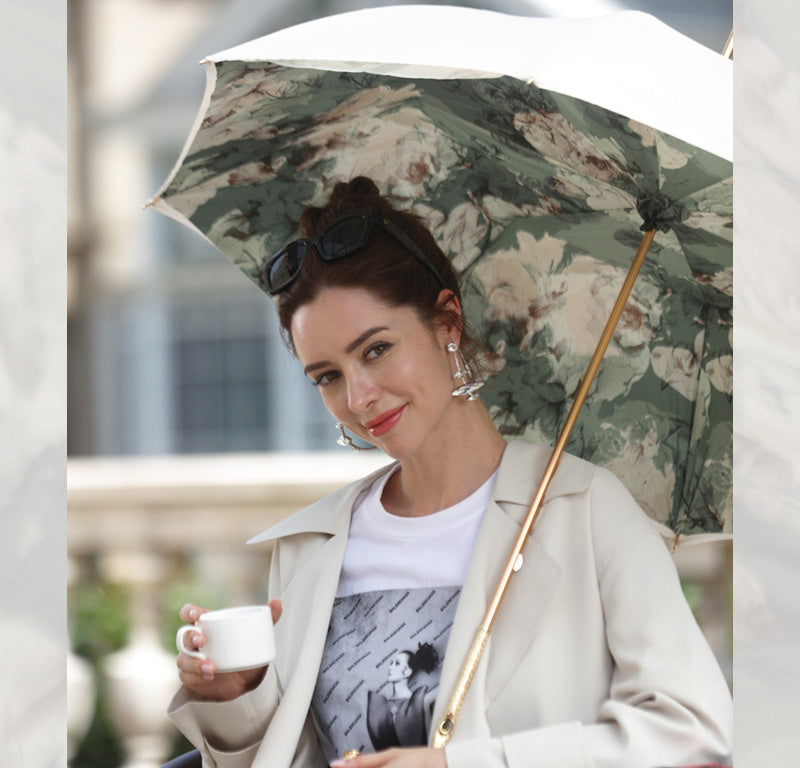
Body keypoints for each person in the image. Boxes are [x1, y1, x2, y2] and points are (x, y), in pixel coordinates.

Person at [170, 176, 733, 768]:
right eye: (328, 376)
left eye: (376, 349)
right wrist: (237, 705)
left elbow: (694, 733)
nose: (359, 396)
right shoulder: (310, 548)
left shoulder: (585, 509)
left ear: (448, 323)